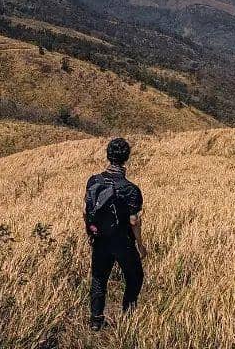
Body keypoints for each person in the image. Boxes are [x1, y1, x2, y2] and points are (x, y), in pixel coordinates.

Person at [84, 137, 147, 331]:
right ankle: (128, 317)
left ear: (108, 156)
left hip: (100, 239)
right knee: (135, 277)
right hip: (123, 242)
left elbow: (86, 211)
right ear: (127, 157)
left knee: (99, 278)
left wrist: (90, 232)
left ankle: (96, 320)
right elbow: (134, 221)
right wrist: (140, 245)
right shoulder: (131, 189)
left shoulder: (94, 181)